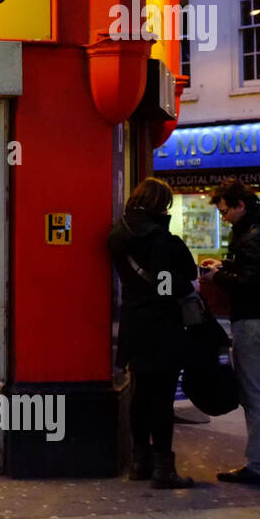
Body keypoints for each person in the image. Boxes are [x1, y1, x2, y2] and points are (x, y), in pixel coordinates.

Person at [199, 179, 260, 485]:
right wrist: (225, 264)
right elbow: (258, 270)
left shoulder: (253, 233)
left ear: (240, 205)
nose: (224, 217)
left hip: (254, 321)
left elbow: (252, 281)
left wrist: (219, 277)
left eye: (226, 211)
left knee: (255, 395)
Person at [107, 177, 198, 489]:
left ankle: (139, 462)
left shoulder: (119, 233)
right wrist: (185, 286)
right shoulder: (159, 238)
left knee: (140, 396)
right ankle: (163, 468)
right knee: (162, 400)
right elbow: (164, 284)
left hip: (134, 324)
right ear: (162, 205)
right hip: (161, 327)